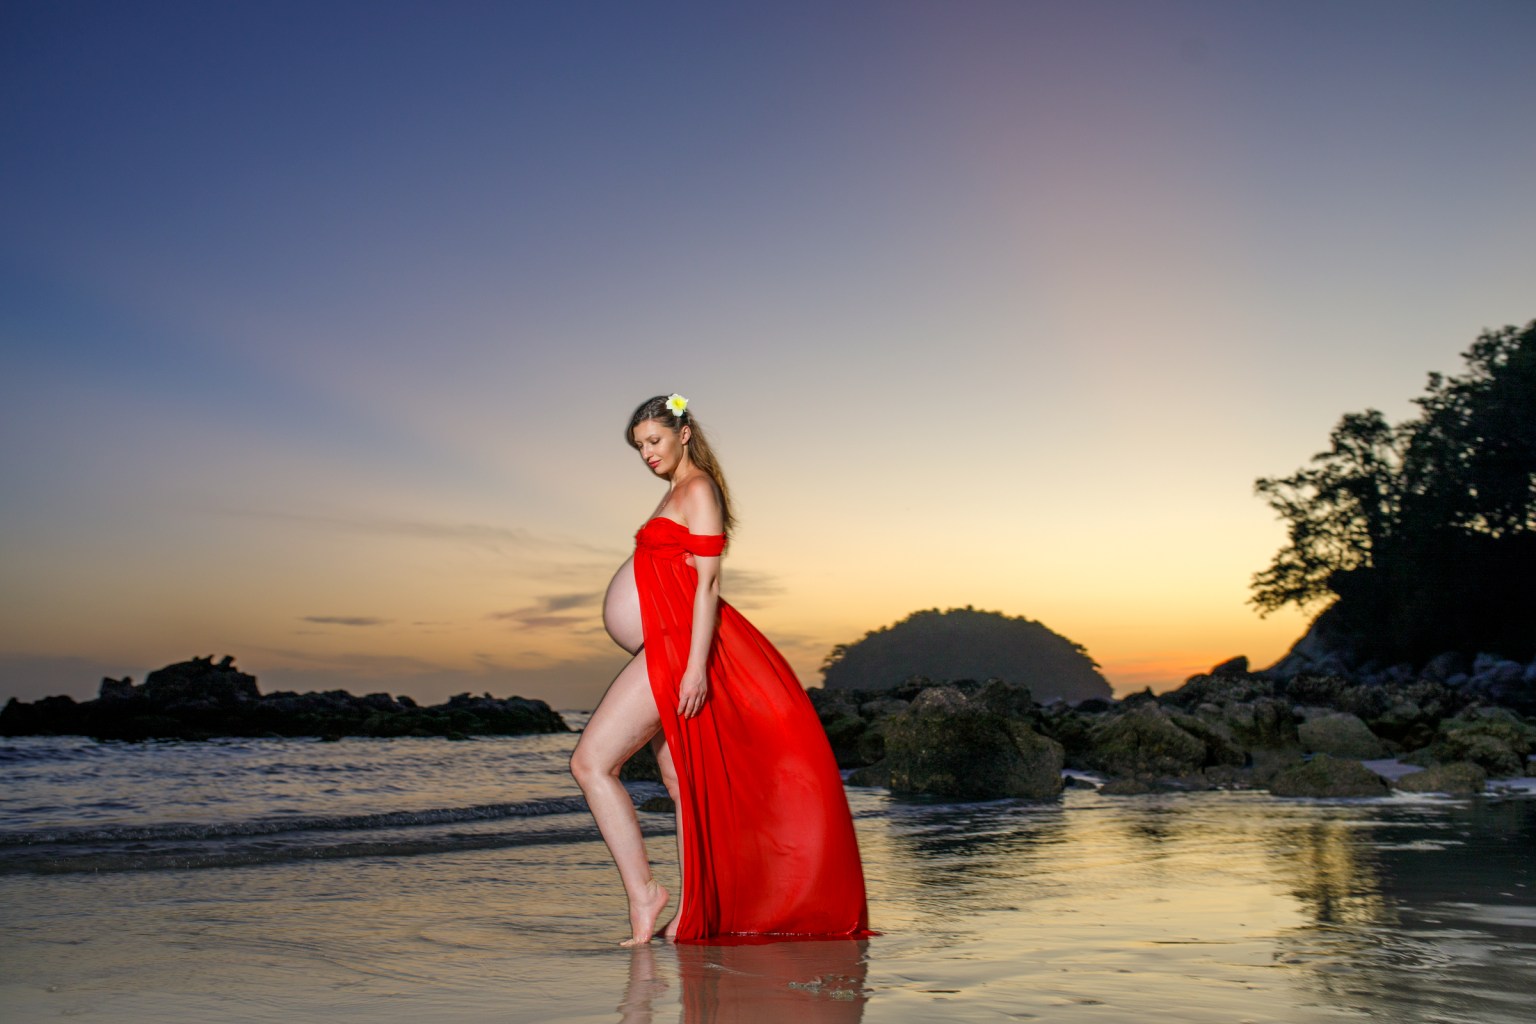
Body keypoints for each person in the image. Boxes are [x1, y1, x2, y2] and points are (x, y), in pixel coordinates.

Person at [571, 394, 870, 946]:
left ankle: (645, 896)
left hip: (677, 650)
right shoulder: (676, 492)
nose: (646, 454)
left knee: (590, 764)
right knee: (679, 782)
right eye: (638, 447)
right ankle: (691, 911)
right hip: (662, 647)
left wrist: (694, 668)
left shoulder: (699, 489)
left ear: (683, 434)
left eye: (654, 441)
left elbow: (708, 586)